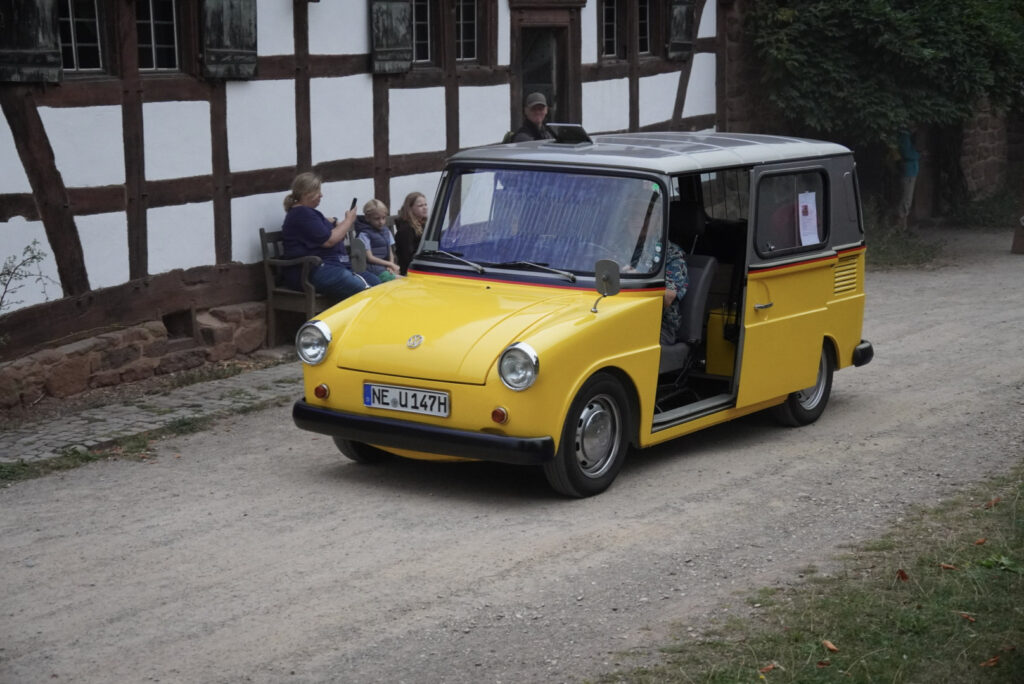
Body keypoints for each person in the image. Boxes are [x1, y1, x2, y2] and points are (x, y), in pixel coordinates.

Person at [281, 172, 380, 302]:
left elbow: (319, 227)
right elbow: (329, 240)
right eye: (318, 191)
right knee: (362, 289)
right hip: (312, 271)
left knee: (377, 283)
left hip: (334, 267)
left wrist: (333, 221)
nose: (321, 195)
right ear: (307, 193)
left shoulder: (307, 213)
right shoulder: (301, 213)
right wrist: (349, 221)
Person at [354, 199, 400, 281]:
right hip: (372, 268)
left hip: (385, 265)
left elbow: (390, 251)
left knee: (400, 275)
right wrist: (389, 264)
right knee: (398, 280)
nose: (381, 222)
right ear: (368, 218)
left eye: (383, 218)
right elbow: (370, 258)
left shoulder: (386, 231)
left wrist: (391, 264)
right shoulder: (364, 234)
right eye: (377, 219)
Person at [660, 241, 689, 345]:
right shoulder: (617, 242)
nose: (637, 223)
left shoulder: (672, 252)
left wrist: (640, 280)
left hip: (659, 326)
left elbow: (668, 297)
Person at [394, 192, 428, 275]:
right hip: (411, 270)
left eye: (425, 204)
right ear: (410, 208)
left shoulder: (424, 224)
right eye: (420, 206)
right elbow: (407, 256)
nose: (425, 208)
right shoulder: (406, 229)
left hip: (424, 263)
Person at [897, 127, 919, 231]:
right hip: (909, 172)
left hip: (910, 171)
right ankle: (901, 226)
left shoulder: (907, 137)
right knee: (906, 198)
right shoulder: (904, 137)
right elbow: (906, 153)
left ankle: (903, 225)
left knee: (907, 198)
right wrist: (919, 155)